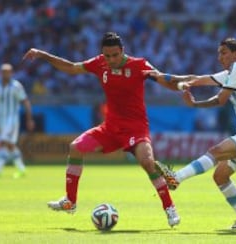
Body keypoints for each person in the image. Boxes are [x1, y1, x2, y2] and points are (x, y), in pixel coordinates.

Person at [23, 32, 185, 227]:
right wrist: (43, 54)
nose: (111, 60)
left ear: (122, 51)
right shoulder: (100, 63)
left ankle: (170, 208)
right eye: (107, 56)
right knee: (75, 147)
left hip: (135, 128)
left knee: (147, 162)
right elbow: (72, 68)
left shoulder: (140, 65)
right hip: (110, 128)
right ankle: (70, 202)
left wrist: (183, 86)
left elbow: (163, 79)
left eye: (115, 55)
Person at [146, 38, 236, 229]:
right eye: (219, 53)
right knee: (220, 176)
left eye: (224, 52)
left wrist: (195, 104)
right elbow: (197, 78)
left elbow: (221, 99)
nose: (220, 57)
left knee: (216, 150)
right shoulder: (230, 73)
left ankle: (176, 178)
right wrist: (159, 75)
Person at [0, 63, 35, 178]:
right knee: (10, 145)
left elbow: (26, 102)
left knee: (2, 142)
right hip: (0, 120)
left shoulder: (16, 86)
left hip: (12, 119)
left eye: (8, 72)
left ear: (11, 73)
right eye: (4, 72)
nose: (6, 74)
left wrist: (29, 119)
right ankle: (21, 169)